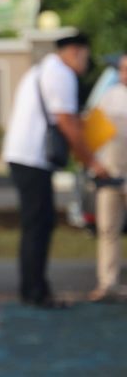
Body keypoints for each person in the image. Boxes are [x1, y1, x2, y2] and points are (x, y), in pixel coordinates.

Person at [3, 33, 109, 308]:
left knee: (38, 224)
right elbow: (67, 123)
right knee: (38, 224)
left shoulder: (44, 69)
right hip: (31, 159)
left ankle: (34, 289)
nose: (86, 64)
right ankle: (35, 292)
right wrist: (93, 163)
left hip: (25, 157)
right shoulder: (61, 75)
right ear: (75, 51)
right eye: (86, 56)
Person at [90, 54, 127, 302]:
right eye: (122, 69)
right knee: (107, 229)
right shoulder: (109, 96)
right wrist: (96, 166)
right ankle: (108, 283)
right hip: (110, 173)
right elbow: (93, 135)